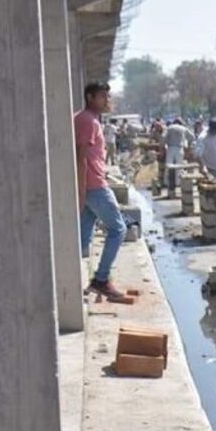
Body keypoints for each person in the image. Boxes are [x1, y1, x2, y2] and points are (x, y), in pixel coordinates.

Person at [74, 82, 127, 300]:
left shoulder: (88, 119)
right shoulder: (88, 120)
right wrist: (81, 190)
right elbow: (81, 157)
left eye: (108, 96)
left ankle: (72, 282)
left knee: (82, 240)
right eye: (103, 96)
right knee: (118, 229)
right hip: (94, 185)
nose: (108, 100)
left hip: (90, 185)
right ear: (90, 97)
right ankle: (101, 280)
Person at [162, 118, 195, 186]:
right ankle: (178, 183)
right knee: (179, 168)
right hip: (180, 149)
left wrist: (162, 146)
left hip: (170, 148)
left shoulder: (169, 127)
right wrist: (189, 146)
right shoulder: (183, 128)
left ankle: (166, 182)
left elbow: (163, 137)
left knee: (168, 166)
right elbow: (192, 137)